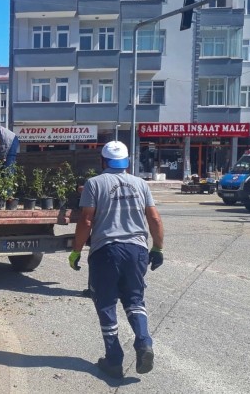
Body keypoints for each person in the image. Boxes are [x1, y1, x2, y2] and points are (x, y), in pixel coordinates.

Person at [68, 140, 165, 379]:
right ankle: (144, 342)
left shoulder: (94, 184)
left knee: (106, 302)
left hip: (106, 251)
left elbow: (86, 221)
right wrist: (158, 248)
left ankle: (114, 360)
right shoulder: (141, 184)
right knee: (134, 299)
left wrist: (76, 250)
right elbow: (154, 219)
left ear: (103, 161)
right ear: (126, 163)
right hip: (137, 251)